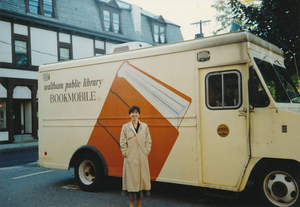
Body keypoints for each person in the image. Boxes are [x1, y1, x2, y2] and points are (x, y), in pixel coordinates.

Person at [120, 105, 152, 207]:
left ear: (139, 114)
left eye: (136, 112)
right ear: (130, 114)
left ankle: (139, 204)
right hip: (131, 159)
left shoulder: (144, 126)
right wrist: (126, 153)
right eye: (132, 112)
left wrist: (146, 152)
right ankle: (131, 204)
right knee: (131, 184)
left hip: (142, 159)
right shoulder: (125, 127)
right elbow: (122, 142)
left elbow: (148, 141)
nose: (134, 114)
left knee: (141, 185)